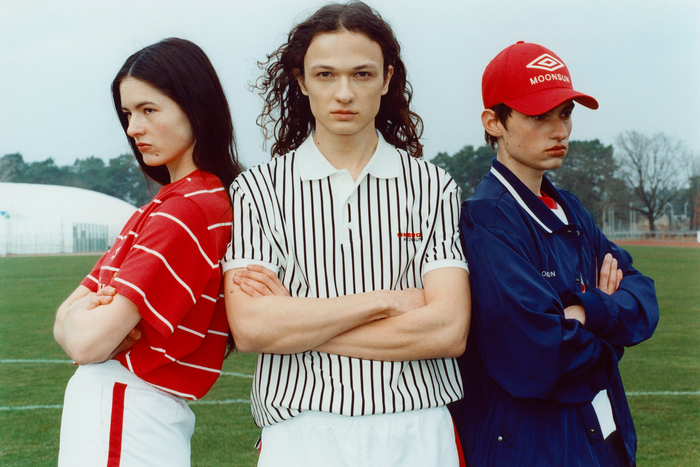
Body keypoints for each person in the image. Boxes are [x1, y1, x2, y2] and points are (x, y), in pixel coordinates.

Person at [221, 2, 471, 466]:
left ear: (387, 78)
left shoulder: (433, 186)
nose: (344, 93)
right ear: (301, 81)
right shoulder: (257, 189)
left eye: (361, 74)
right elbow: (252, 327)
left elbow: (449, 330)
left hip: (417, 429)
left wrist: (297, 325)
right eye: (325, 75)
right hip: (302, 433)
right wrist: (387, 301)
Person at [449, 41, 659, 467]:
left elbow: (644, 298)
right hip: (534, 447)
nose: (560, 130)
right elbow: (539, 356)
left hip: (604, 436)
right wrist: (609, 322)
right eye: (538, 116)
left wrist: (584, 313)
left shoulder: (570, 207)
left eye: (564, 113)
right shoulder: (487, 220)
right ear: (494, 122)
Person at [53, 37, 242, 466]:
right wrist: (80, 319)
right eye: (127, 113)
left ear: (196, 108)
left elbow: (84, 342)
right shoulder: (169, 204)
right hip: (129, 409)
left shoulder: (186, 210)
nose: (133, 128)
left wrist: (85, 318)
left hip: (126, 407)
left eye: (148, 110)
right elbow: (64, 321)